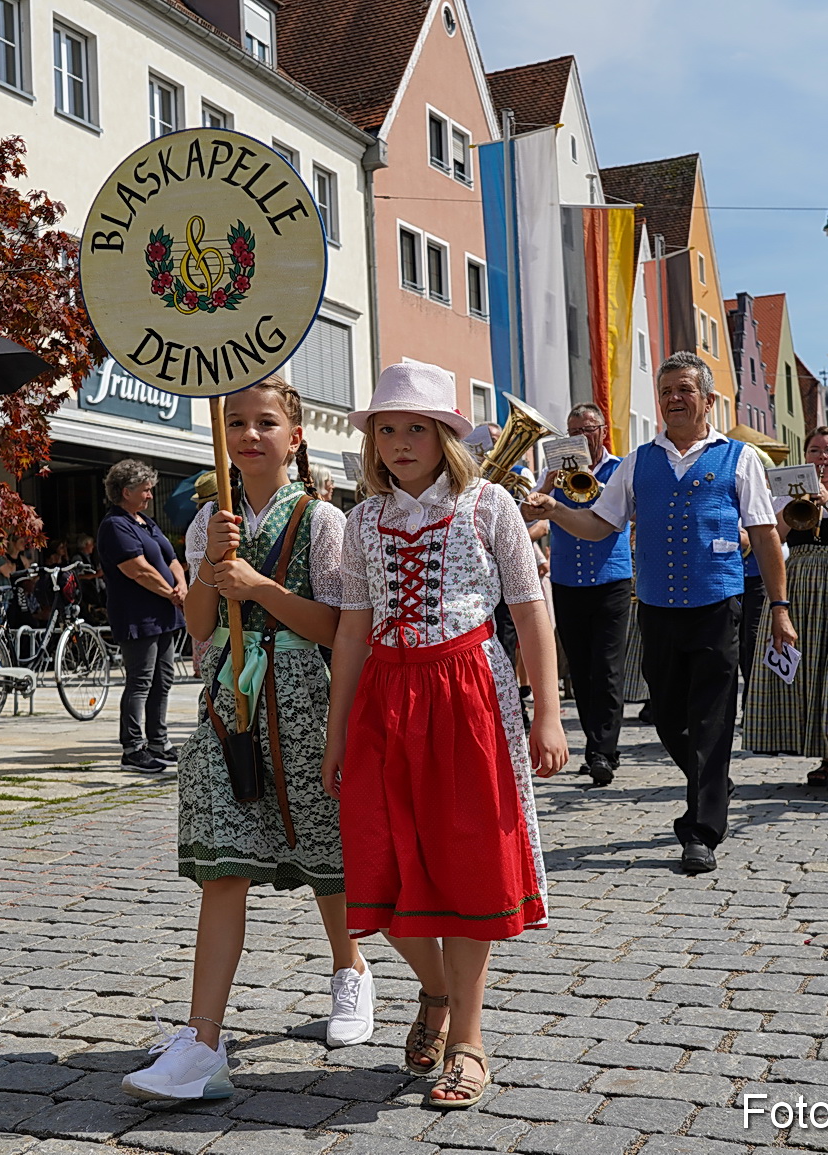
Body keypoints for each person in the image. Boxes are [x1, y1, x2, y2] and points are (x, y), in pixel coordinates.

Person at [323, 361, 566, 1110]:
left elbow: (530, 612)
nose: (398, 442)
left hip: (468, 693)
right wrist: (337, 730)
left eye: (414, 428)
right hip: (385, 698)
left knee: (466, 865)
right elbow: (354, 630)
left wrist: (549, 712)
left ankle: (468, 1037)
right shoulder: (364, 520)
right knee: (379, 862)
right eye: (386, 429)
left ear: (444, 435)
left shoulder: (489, 505)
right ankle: (433, 988)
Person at [123, 377, 370, 1103]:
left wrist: (257, 585)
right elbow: (198, 626)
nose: (250, 435)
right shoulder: (210, 519)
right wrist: (211, 565)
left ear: (296, 437)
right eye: (237, 422)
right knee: (222, 866)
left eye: (267, 422)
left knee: (323, 851)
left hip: (299, 695)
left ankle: (349, 967)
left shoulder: (324, 520)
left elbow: (334, 627)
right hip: (230, 699)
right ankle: (203, 1039)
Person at [527, 352, 792, 874]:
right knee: (669, 716)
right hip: (657, 607)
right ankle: (710, 779)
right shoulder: (637, 462)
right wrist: (556, 510)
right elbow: (600, 526)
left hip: (719, 604)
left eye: (684, 390)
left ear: (708, 400)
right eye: (666, 390)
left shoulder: (739, 458)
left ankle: (700, 830)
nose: (673, 398)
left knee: (712, 719)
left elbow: (764, 537)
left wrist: (780, 608)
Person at [744, 427, 828, 799]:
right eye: (815, 450)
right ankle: (827, 760)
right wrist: (796, 503)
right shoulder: (788, 493)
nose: (822, 457)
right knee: (814, 672)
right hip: (802, 587)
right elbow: (772, 535)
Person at [532, 402, 632, 788]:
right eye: (573, 431)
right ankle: (597, 741)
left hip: (612, 578)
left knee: (607, 666)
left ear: (602, 431)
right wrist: (546, 486)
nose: (581, 437)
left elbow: (629, 514)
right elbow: (528, 515)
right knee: (581, 667)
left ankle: (601, 751)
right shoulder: (553, 474)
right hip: (568, 580)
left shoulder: (620, 467)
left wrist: (599, 486)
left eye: (588, 429)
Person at [96, 458, 187, 770]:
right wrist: (172, 592)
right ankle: (133, 747)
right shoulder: (115, 525)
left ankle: (158, 741)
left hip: (164, 614)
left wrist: (182, 585)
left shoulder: (146, 522)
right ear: (126, 491)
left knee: (163, 679)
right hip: (138, 616)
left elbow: (172, 558)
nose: (150, 495)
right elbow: (138, 570)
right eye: (145, 490)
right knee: (141, 681)